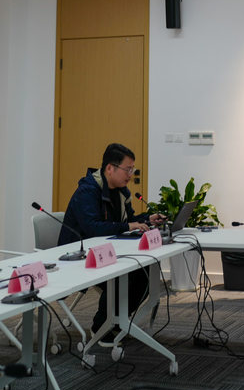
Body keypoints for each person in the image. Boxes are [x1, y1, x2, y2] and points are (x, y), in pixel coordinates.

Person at [60, 142, 166, 346]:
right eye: (128, 169)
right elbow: (93, 228)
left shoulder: (121, 192)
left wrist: (147, 219)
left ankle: (117, 320)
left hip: (107, 251)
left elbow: (128, 220)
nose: (130, 175)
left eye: (132, 169)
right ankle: (101, 326)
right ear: (110, 168)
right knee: (122, 275)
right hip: (81, 255)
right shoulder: (87, 191)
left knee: (144, 272)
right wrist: (128, 225)